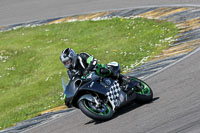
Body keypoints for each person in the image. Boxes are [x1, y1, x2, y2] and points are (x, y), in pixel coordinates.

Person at [60, 48, 132, 90]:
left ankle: (123, 78)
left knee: (101, 70)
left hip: (95, 71)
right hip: (88, 81)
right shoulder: (70, 72)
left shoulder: (82, 56)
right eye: (65, 63)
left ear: (72, 57)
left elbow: (93, 61)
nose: (67, 64)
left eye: (68, 61)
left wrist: (87, 70)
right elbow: (73, 82)